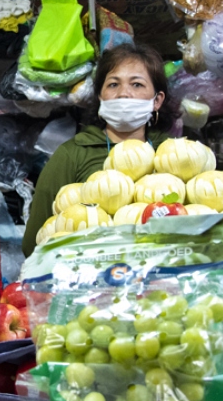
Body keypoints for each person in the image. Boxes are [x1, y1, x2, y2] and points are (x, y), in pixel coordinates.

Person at [22, 44, 171, 257]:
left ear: (157, 100)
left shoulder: (170, 154)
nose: (123, 94)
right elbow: (35, 243)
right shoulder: (72, 155)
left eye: (137, 84)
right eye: (113, 84)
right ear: (100, 97)